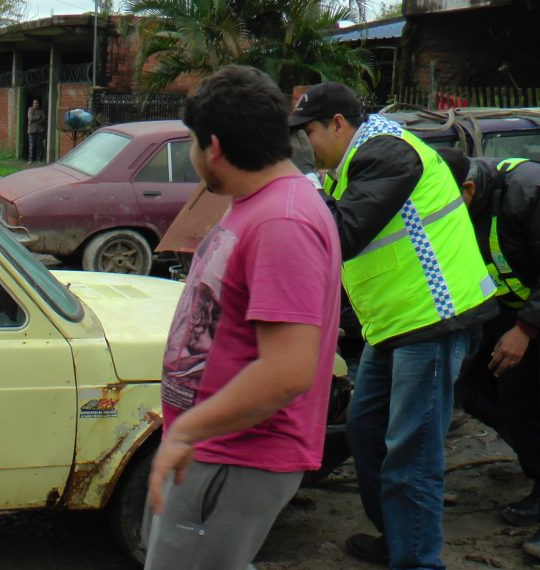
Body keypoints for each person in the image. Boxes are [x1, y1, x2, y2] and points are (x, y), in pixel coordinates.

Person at [292, 82, 497, 568]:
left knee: (413, 455)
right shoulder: (351, 163)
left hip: (432, 322)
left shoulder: (388, 154)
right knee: (366, 433)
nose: (306, 144)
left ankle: (418, 561)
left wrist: (300, 192)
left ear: (339, 124)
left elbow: (341, 234)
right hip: (394, 326)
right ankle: (399, 538)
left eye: (311, 132)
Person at [145, 65, 342, 570]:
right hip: (217, 445)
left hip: (237, 453)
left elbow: (287, 370)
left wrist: (190, 429)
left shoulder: (283, 222)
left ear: (212, 147)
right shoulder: (260, 202)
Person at [439, 150, 540, 556]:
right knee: (477, 390)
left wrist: (525, 330)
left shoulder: (526, 191)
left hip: (529, 317)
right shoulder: (455, 204)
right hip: (508, 314)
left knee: (524, 396)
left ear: (468, 188)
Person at [27, 98, 46, 164]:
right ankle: (30, 160)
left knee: (39, 146)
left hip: (40, 130)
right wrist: (38, 117)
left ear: (38, 104)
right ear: (32, 104)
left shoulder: (41, 111)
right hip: (31, 130)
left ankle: (39, 160)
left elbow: (43, 119)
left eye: (37, 103)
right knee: (31, 146)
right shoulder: (30, 109)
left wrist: (37, 120)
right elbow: (31, 118)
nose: (35, 104)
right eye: (34, 103)